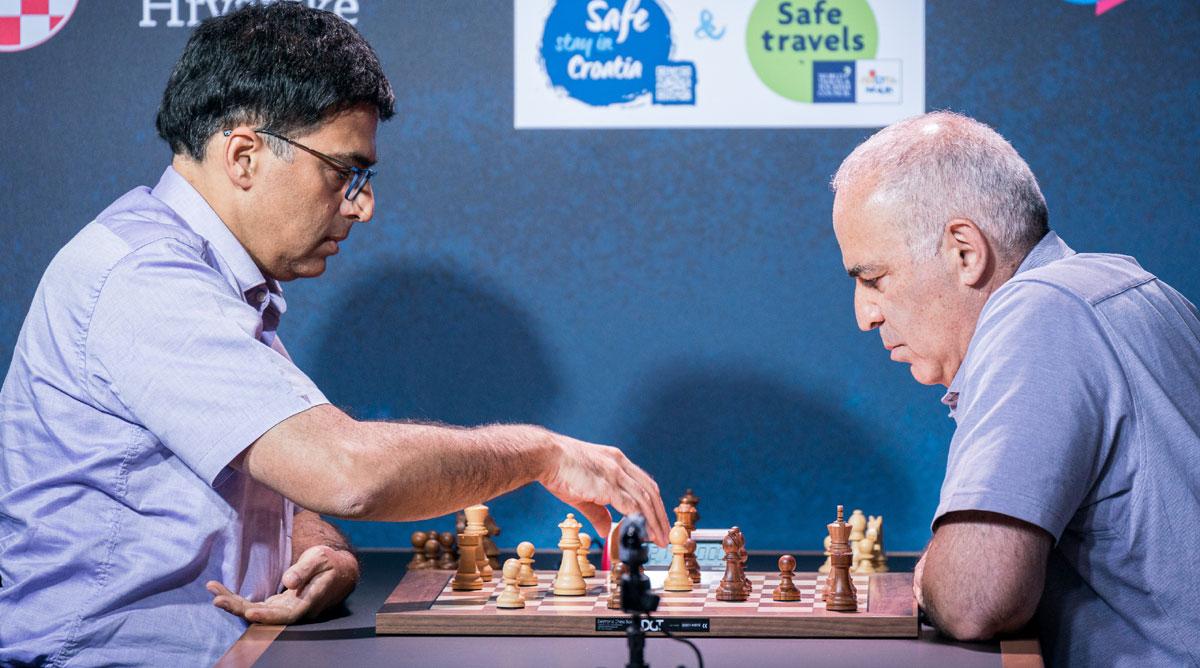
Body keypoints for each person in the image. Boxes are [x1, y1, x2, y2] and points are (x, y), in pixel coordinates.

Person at [0, 5, 668, 665]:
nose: (363, 205)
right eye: (344, 173)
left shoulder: (208, 280)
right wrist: (540, 453)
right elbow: (346, 474)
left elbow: (268, 491)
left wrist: (328, 553)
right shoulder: (144, 279)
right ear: (243, 155)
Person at [830, 111, 1200, 666]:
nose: (865, 315)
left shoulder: (1039, 311)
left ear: (965, 251)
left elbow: (976, 598)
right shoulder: (1138, 288)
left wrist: (931, 571)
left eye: (873, 278)